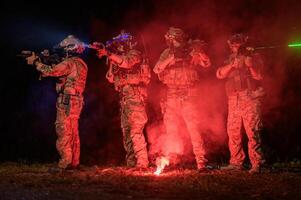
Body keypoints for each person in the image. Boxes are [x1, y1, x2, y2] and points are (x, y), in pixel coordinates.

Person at [26, 35, 88, 172]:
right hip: (77, 100)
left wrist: (37, 63)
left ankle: (65, 163)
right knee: (73, 131)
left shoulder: (69, 63)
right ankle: (74, 162)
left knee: (63, 130)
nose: (63, 53)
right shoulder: (82, 64)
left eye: (64, 50)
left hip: (66, 100)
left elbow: (51, 71)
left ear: (69, 49)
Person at [153, 27, 211, 171]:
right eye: (170, 38)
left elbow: (206, 63)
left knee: (193, 129)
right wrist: (172, 58)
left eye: (172, 38)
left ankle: (201, 162)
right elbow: (157, 69)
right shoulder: (167, 53)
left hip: (189, 94)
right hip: (172, 94)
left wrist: (198, 52)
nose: (170, 41)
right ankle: (171, 162)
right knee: (171, 129)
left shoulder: (191, 51)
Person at [96, 30, 150, 168]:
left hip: (135, 96)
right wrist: (110, 58)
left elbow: (126, 62)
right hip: (125, 98)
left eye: (121, 43)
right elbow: (110, 78)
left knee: (135, 130)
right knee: (126, 132)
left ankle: (142, 163)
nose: (119, 46)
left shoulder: (135, 54)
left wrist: (109, 54)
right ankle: (132, 164)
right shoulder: (118, 57)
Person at [216, 33, 265, 173]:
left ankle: (257, 164)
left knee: (253, 132)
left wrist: (250, 66)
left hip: (249, 98)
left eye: (237, 44)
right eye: (232, 44)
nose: (234, 46)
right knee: (233, 132)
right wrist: (232, 65)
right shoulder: (228, 59)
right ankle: (236, 162)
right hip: (233, 99)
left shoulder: (254, 57)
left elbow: (259, 76)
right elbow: (219, 74)